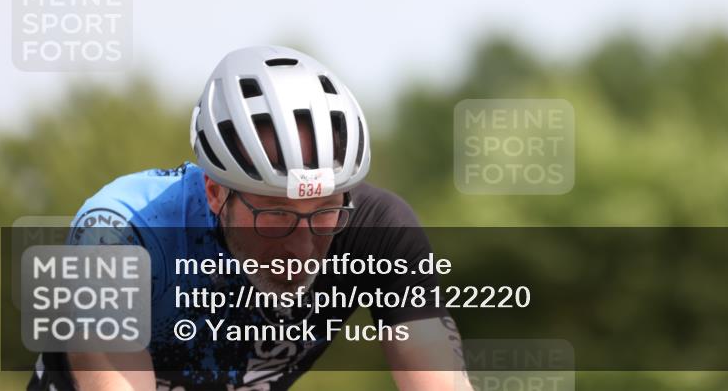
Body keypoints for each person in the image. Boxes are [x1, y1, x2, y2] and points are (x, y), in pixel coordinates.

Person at [28, 46, 469, 391]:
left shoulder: (379, 230)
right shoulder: (119, 233)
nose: (301, 250)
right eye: (275, 216)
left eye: (324, 215)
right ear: (215, 192)